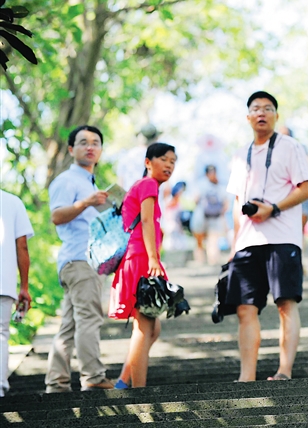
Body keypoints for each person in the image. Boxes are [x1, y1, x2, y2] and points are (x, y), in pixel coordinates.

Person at [225, 91, 308, 382]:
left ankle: (284, 371)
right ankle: (246, 376)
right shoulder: (240, 154)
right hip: (247, 241)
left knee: (285, 304)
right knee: (244, 308)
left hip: (283, 238)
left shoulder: (290, 146)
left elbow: (306, 189)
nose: (261, 113)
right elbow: (237, 203)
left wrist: (273, 208)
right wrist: (234, 245)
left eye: (267, 108)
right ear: (248, 117)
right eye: (255, 109)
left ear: (276, 115)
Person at [45, 125, 114, 393]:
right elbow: (56, 216)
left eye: (95, 142)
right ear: (72, 149)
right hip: (80, 259)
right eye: (83, 142)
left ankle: (57, 383)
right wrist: (85, 202)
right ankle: (93, 376)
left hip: (84, 261)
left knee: (70, 324)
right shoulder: (67, 180)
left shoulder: (90, 183)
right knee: (89, 319)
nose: (90, 147)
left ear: (101, 150)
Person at [109, 143, 177, 389]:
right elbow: (146, 221)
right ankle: (139, 391)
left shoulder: (144, 186)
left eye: (173, 161)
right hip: (141, 258)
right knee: (144, 326)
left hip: (138, 256)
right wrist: (153, 259)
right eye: (164, 159)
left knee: (152, 328)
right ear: (148, 162)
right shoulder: (148, 184)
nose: (169, 165)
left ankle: (123, 381)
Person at [0, 190, 33, 397]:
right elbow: (22, 246)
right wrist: (24, 287)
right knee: (1, 334)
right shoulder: (13, 202)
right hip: (3, 283)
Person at [278, 126, 308, 230]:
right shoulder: (275, 151)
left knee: (299, 228)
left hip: (301, 193)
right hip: (284, 195)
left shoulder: (299, 148)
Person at [191, 165, 228, 265]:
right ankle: (211, 260)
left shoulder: (201, 184)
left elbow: (195, 199)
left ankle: (203, 260)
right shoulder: (219, 186)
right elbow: (225, 203)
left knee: (206, 239)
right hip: (211, 217)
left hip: (203, 216)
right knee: (211, 239)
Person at [116, 124, 162, 190]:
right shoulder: (160, 158)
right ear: (156, 138)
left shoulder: (126, 156)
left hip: (129, 194)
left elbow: (120, 184)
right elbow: (166, 189)